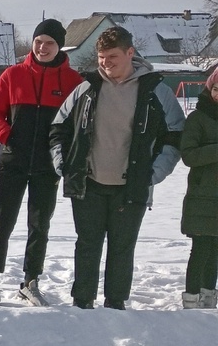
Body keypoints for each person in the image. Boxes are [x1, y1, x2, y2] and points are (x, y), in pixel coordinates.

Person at [50, 26, 185, 309]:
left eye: (112, 56)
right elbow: (58, 128)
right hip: (88, 183)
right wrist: (64, 165)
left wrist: (153, 173)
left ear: (130, 53)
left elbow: (174, 136)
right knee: (87, 246)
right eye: (101, 57)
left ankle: (116, 305)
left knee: (121, 250)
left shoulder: (154, 90)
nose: (105, 62)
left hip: (131, 185)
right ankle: (82, 303)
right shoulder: (86, 88)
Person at [0, 19, 83, 306]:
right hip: (13, 160)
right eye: (38, 41)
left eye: (49, 43)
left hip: (47, 165)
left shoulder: (73, 82)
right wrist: (7, 135)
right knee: (3, 221)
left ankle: (30, 281)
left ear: (59, 45)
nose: (42, 47)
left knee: (40, 224)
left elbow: (79, 123)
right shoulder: (13, 75)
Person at [180, 68, 218, 308]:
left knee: (215, 249)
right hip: (203, 195)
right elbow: (189, 155)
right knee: (202, 247)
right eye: (216, 89)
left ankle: (208, 294)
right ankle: (191, 297)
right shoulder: (198, 117)